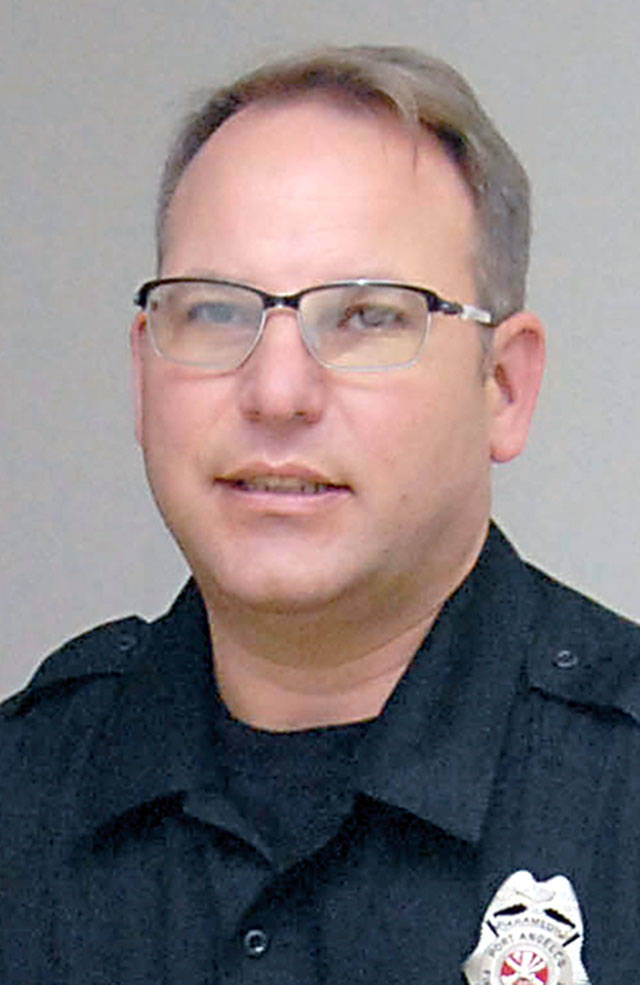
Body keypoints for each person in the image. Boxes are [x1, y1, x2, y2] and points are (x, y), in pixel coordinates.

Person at [1, 44, 638, 985]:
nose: (277, 392)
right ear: (142, 374)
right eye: (215, 312)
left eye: (368, 316)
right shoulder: (24, 787)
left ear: (504, 386)